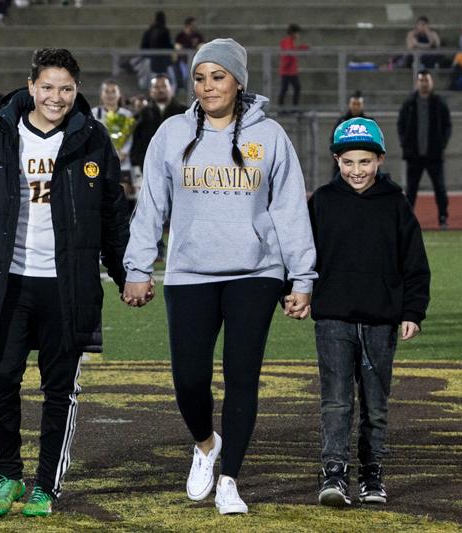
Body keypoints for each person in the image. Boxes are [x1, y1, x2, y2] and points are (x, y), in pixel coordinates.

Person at [122, 38, 317, 515]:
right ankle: (207, 444)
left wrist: (302, 277)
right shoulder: (171, 133)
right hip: (189, 271)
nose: (208, 87)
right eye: (201, 77)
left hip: (257, 271)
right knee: (189, 381)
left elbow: (289, 209)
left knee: (242, 376)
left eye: (219, 76)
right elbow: (151, 207)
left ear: (239, 82)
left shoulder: (269, 136)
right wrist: (138, 265)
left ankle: (230, 478)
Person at [0, 48, 129, 518]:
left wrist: (126, 273)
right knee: (1, 380)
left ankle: (46, 486)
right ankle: (9, 477)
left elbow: (113, 215)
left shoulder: (93, 139)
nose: (56, 97)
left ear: (76, 91)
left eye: (67, 89)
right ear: (31, 86)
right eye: (49, 87)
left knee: (60, 389)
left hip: (67, 286)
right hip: (8, 283)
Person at [309, 117, 430, 507]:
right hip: (333, 318)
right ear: (336, 160)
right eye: (348, 162)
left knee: (375, 403)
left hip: (381, 320)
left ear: (379, 160)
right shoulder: (323, 201)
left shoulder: (395, 203)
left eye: (364, 162)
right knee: (336, 401)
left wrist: (413, 310)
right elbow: (302, 255)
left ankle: (372, 472)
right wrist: (293, 292)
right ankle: (334, 472)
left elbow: (414, 262)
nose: (356, 171)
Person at [397, 70, 451, 228]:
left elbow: (447, 125)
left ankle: (443, 218)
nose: (424, 84)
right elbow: (401, 124)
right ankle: (408, 219)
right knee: (411, 189)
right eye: (421, 80)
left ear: (431, 82)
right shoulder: (409, 103)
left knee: (439, 188)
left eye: (427, 80)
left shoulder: (439, 103)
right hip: (414, 154)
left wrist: (442, 144)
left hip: (434, 153)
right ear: (417, 83)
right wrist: (404, 143)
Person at [129, 74, 186, 186]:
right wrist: (137, 167)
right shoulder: (141, 115)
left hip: (178, 174)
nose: (160, 90)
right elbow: (136, 144)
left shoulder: (184, 113)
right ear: (150, 91)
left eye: (164, 86)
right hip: (148, 172)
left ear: (172, 89)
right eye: (156, 87)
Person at [92, 79, 135, 197]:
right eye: (107, 91)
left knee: (122, 198)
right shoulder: (94, 113)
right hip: (102, 162)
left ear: (119, 94)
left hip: (123, 163)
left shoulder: (127, 114)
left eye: (113, 91)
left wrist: (123, 152)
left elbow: (130, 137)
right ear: (101, 94)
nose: (110, 95)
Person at [331, 91, 371, 175]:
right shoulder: (342, 122)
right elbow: (333, 140)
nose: (355, 107)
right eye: (354, 104)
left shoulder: (369, 123)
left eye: (358, 104)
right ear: (349, 104)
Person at [140, 11, 175, 86]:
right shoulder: (162, 31)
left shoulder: (150, 31)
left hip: (157, 60)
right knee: (169, 80)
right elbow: (168, 45)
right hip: (159, 61)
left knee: (154, 79)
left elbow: (143, 46)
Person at [278, 23, 308, 108]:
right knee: (285, 89)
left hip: (292, 71)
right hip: (287, 70)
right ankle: (281, 108)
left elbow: (295, 49)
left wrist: (303, 47)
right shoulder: (287, 41)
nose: (298, 35)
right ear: (293, 33)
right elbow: (289, 51)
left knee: (296, 88)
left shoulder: (292, 42)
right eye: (297, 33)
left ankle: (294, 108)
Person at [174, 16, 205, 88]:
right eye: (193, 25)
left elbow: (201, 47)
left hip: (195, 61)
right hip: (184, 62)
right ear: (188, 25)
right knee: (185, 78)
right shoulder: (180, 36)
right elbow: (178, 49)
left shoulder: (198, 36)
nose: (195, 26)